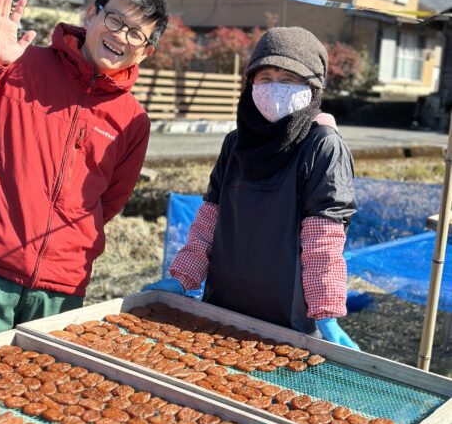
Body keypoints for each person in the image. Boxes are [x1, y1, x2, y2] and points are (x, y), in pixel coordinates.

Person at [0, 0, 168, 348]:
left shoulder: (132, 120)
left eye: (137, 33)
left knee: (37, 404)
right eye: (116, 20)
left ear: (146, 51)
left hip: (61, 291)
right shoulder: (19, 67)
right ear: (91, 15)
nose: (121, 37)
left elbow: (108, 202)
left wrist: (69, 245)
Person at [144, 26, 359, 349]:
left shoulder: (322, 146)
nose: (275, 89)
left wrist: (326, 311)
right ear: (251, 83)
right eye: (266, 78)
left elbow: (323, 238)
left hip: (286, 317)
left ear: (312, 88)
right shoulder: (235, 143)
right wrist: (183, 277)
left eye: (288, 80)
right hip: (221, 305)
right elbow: (208, 221)